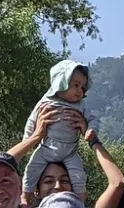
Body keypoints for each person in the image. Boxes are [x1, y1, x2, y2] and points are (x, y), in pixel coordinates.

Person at [17, 59, 91, 198]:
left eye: (82, 87)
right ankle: (25, 197)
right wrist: (28, 140)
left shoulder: (81, 106)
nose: (79, 91)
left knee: (78, 175)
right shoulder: (45, 102)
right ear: (61, 82)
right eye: (76, 85)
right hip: (46, 148)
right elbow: (32, 120)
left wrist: (90, 130)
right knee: (31, 169)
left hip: (70, 151)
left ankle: (79, 201)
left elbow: (93, 119)